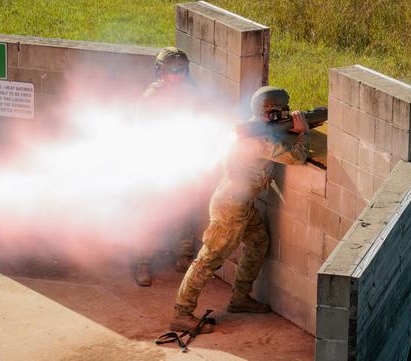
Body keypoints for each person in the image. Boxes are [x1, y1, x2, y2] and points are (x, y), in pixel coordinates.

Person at [169, 86, 310, 333]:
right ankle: (182, 313)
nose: (285, 113)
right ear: (270, 113)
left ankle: (240, 298)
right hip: (231, 208)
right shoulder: (258, 139)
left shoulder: (251, 128)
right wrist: (303, 133)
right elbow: (296, 157)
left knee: (258, 241)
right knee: (208, 260)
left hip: (239, 204)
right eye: (281, 110)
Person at [133, 47, 201, 286]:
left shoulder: (191, 95)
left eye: (181, 71)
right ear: (160, 72)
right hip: (154, 166)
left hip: (181, 164)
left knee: (183, 211)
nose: (177, 75)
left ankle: (184, 256)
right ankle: (142, 262)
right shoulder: (150, 98)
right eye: (172, 71)